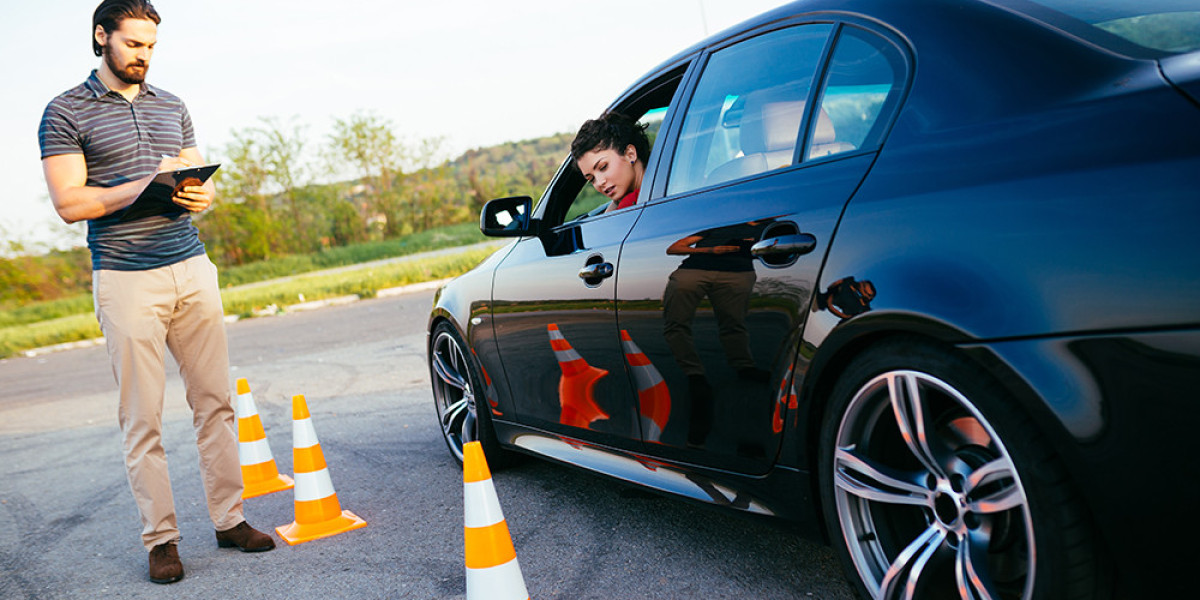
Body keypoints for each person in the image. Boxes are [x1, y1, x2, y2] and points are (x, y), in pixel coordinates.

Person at [38, 0, 273, 585]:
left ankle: (229, 519)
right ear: (101, 37)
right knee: (143, 419)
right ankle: (162, 540)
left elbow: (195, 179)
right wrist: (141, 185)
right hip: (124, 278)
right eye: (133, 44)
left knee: (215, 403)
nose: (144, 55)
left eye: (151, 46)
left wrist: (200, 196)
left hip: (191, 267)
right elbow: (70, 204)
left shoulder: (172, 105)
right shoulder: (64, 111)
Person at [570, 112, 650, 213]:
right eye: (591, 179)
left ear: (630, 154)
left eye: (603, 167)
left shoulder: (630, 206)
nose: (600, 182)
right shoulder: (669, 179)